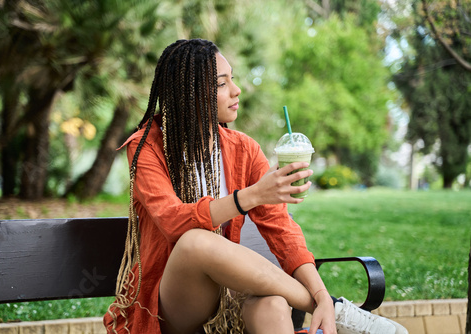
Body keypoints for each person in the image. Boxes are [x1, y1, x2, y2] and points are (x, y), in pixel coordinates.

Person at [104, 39, 408, 334]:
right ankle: (332, 307)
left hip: (229, 300)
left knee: (274, 304)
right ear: (189, 94)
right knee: (195, 241)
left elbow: (283, 232)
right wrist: (252, 196)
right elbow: (172, 221)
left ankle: (333, 310)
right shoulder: (147, 147)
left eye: (232, 79)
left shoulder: (244, 149)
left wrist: (318, 289)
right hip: (171, 309)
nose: (237, 91)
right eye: (222, 84)